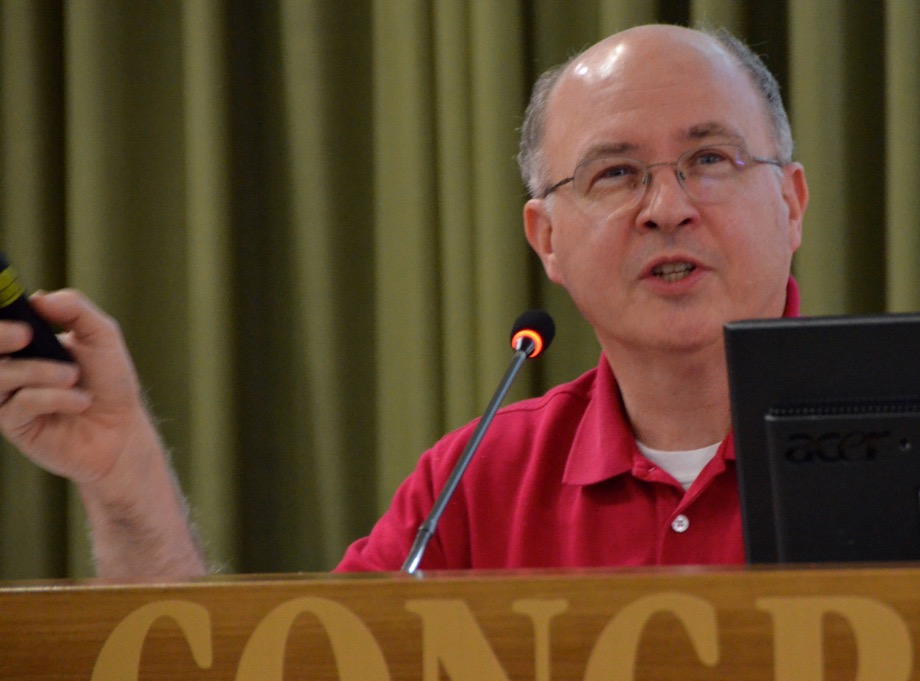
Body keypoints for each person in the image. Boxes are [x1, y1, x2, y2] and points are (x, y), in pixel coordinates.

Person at [0, 23, 808, 578]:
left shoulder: (893, 436)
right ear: (547, 240)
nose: (667, 208)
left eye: (711, 158)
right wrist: (125, 478)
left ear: (792, 203)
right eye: (616, 174)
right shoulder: (475, 483)